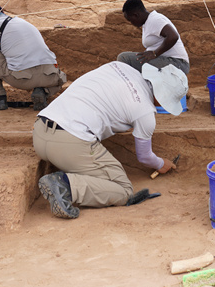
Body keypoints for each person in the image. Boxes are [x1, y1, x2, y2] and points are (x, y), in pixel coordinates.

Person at [33, 61, 187, 219]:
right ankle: (65, 185)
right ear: (163, 97)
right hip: (70, 143)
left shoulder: (119, 66)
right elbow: (144, 157)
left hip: (40, 131)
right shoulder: (145, 113)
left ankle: (66, 179)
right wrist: (161, 164)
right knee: (123, 190)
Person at [0, 0, 66, 111]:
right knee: (61, 77)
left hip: (22, 79)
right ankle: (43, 92)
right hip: (50, 77)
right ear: (2, 12)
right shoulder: (23, 22)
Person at [117, 0, 190, 75]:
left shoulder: (155, 19)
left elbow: (173, 36)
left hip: (177, 63)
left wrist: (155, 53)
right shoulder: (147, 23)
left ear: (136, 15)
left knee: (124, 58)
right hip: (168, 61)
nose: (131, 23)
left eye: (130, 20)